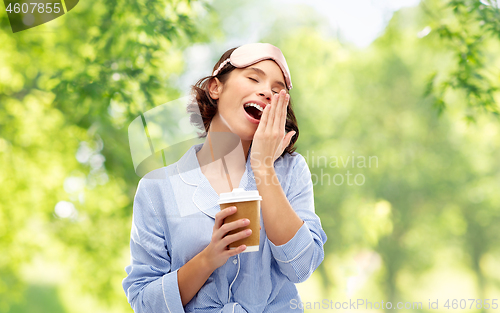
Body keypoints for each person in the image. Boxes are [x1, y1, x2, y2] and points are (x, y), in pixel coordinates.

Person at [122, 42, 327, 313]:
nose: (267, 91)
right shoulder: (157, 189)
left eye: (277, 91)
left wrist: (264, 168)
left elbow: (301, 267)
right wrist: (208, 258)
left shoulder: (289, 171)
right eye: (253, 78)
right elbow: (145, 302)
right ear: (215, 88)